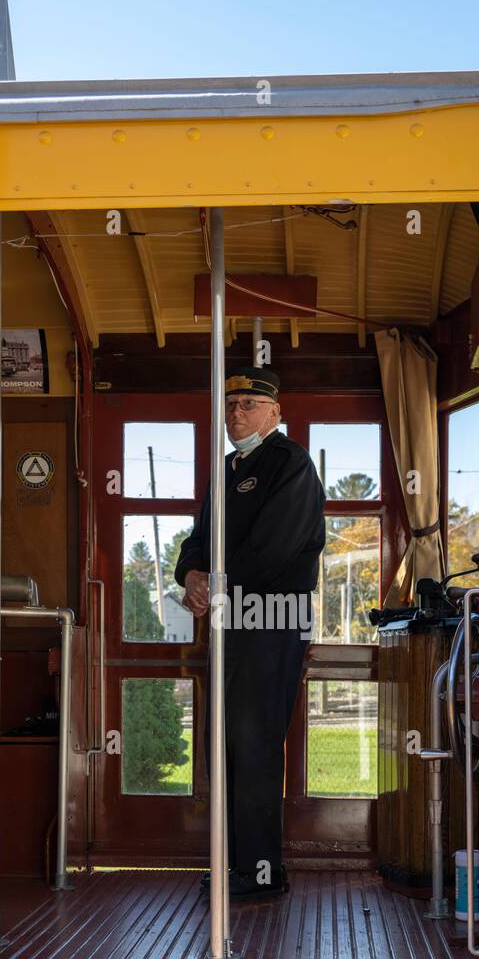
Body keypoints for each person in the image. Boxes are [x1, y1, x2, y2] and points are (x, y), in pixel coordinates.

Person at [175, 367, 325, 899]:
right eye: (231, 404)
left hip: (273, 619)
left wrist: (214, 582)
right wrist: (189, 574)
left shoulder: (290, 464)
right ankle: (236, 865)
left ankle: (262, 873)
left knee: (257, 743)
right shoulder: (225, 469)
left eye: (249, 405)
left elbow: (273, 548)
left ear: (275, 413)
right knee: (228, 744)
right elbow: (198, 538)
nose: (236, 414)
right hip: (230, 621)